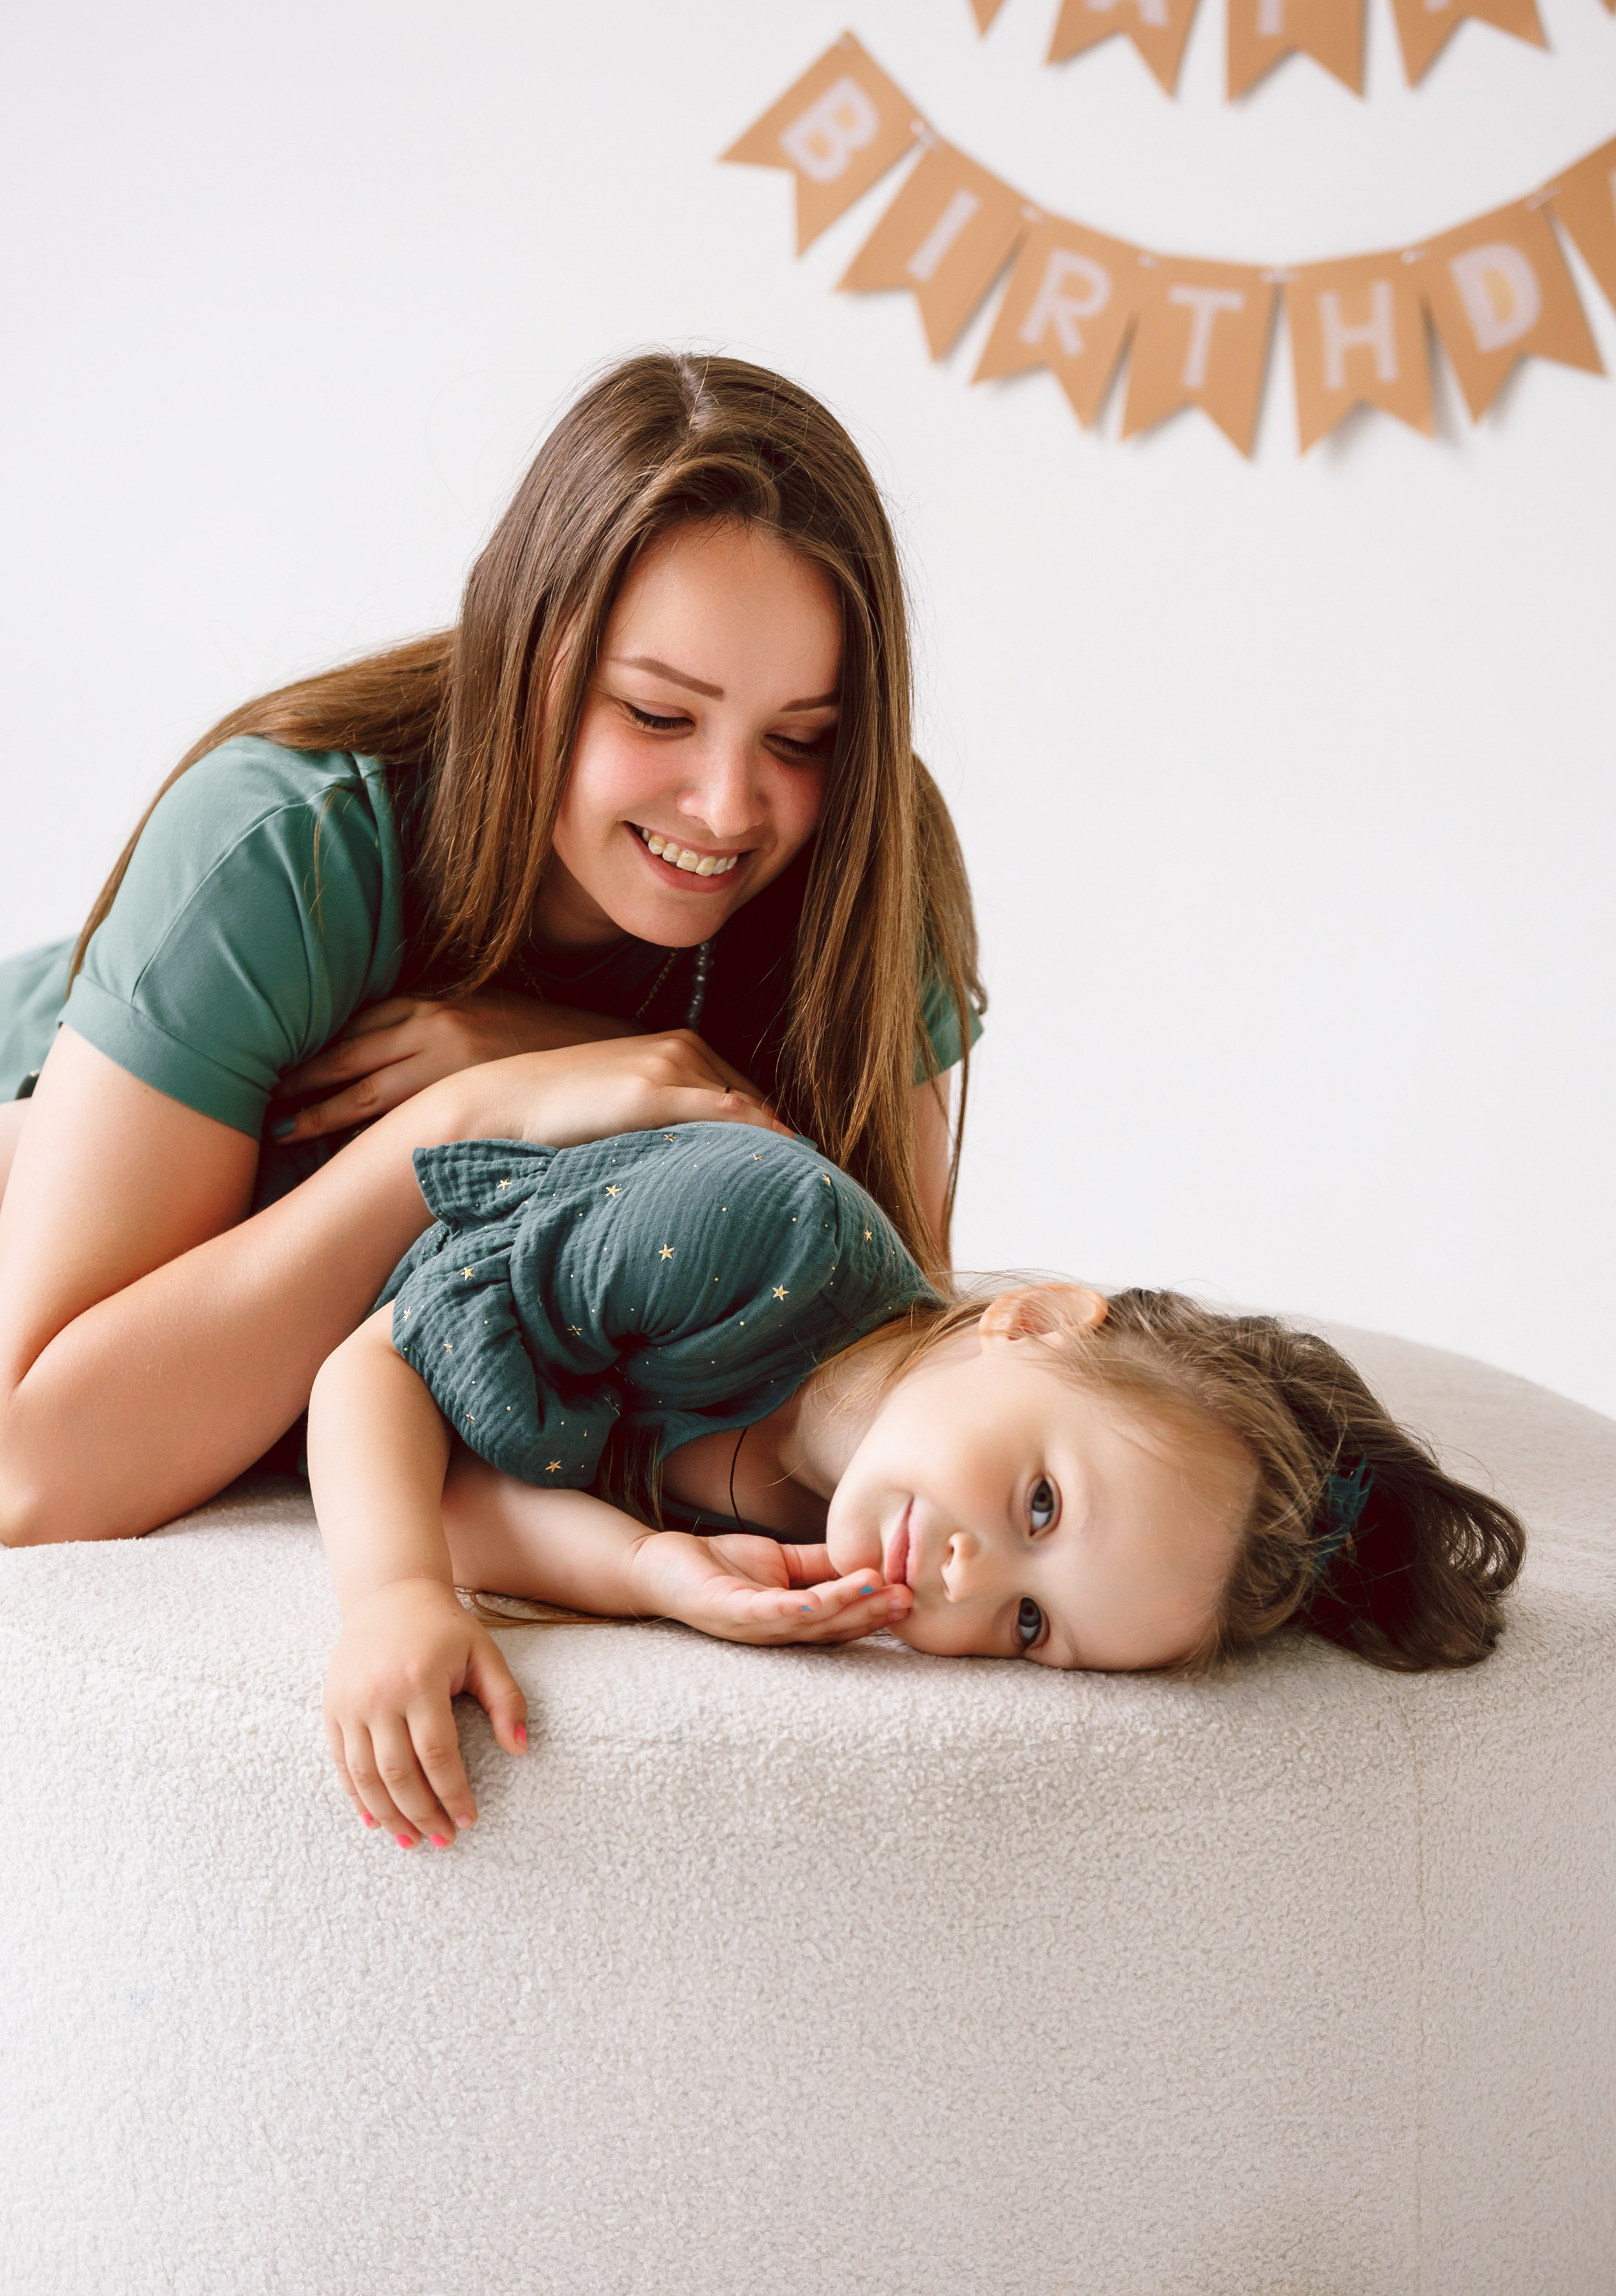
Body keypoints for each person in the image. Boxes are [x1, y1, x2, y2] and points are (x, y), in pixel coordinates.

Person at [0, 354, 981, 1547]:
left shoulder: (872, 860)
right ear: (526, 649)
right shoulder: (281, 845)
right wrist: (460, 1122)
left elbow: (873, 1317)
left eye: (802, 738)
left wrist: (592, 1061)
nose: (729, 807)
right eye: (658, 715)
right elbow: (38, 1477)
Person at [305, 1106, 1525, 1850]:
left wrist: (649, 1573)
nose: (969, 1575)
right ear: (1036, 1322)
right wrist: (396, 1596)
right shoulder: (760, 1235)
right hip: (283, 1196)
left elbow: (457, 1494)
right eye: (1042, 1504)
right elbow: (379, 1365)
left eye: (1032, 1625)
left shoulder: (820, 1524)